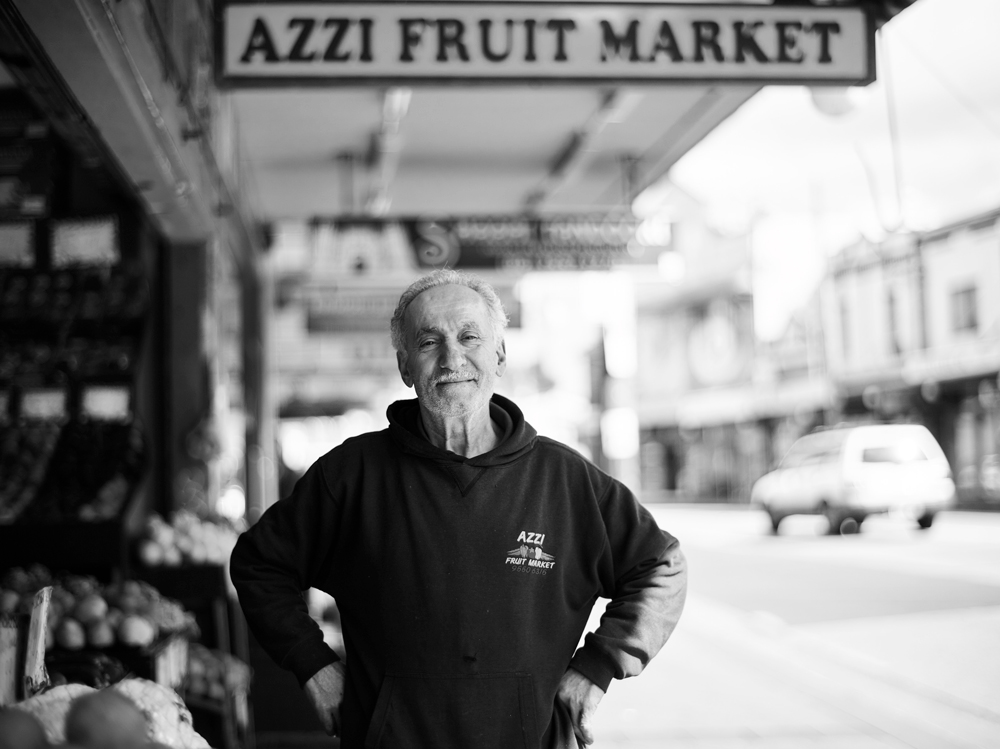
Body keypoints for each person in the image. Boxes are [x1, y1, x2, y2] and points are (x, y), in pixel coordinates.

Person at [230, 268, 687, 748]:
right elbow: (260, 563)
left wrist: (596, 668)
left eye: (470, 337)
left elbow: (661, 567)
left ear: (500, 355)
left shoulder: (566, 481)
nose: (452, 359)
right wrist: (313, 665)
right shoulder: (351, 475)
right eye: (429, 342)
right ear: (406, 366)